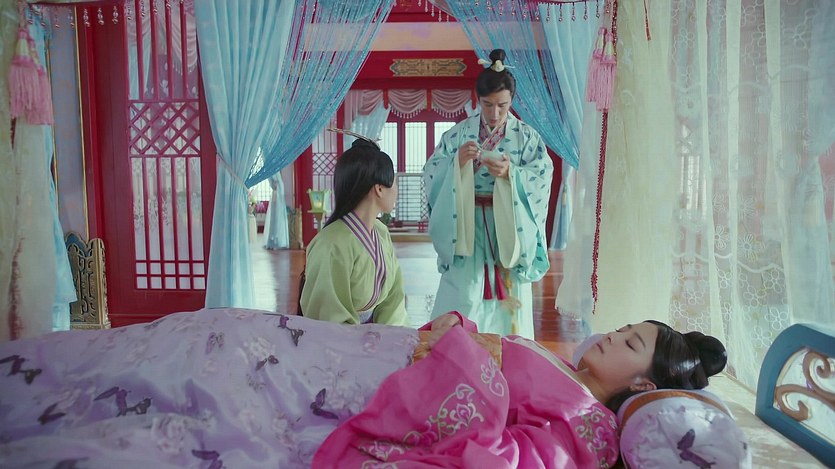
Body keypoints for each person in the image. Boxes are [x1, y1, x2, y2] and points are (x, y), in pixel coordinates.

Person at [0, 308, 725, 468]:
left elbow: (503, 457)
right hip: (373, 353)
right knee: (218, 333)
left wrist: (468, 357)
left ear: (642, 382)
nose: (612, 335)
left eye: (630, 342)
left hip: (375, 386)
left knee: (220, 367)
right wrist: (465, 337)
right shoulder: (569, 377)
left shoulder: (588, 431)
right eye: (625, 326)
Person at [423, 48, 553, 339]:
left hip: (508, 226)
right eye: (487, 104)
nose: (494, 113)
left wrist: (512, 175)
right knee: (465, 294)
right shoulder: (457, 135)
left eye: (502, 106)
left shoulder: (527, 137)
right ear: (478, 99)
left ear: (512, 100)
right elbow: (432, 172)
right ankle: (459, 350)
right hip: (467, 227)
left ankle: (509, 352)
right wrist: (457, 163)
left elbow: (542, 175)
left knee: (509, 299)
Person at [300, 136, 408, 326]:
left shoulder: (381, 232)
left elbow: (393, 298)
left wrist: (390, 336)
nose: (396, 189)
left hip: (378, 336)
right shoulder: (330, 244)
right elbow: (327, 316)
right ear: (379, 188)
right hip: (340, 340)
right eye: (394, 182)